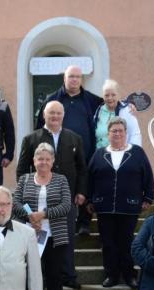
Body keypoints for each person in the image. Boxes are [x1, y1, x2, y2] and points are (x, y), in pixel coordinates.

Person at [17, 100, 87, 290]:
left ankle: (68, 275)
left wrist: (81, 191)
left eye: (58, 113)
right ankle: (41, 278)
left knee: (66, 239)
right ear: (44, 115)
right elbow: (21, 170)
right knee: (37, 243)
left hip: (66, 198)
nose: (55, 116)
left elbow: (82, 168)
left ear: (63, 115)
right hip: (36, 199)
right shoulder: (31, 139)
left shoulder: (75, 138)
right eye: (51, 113)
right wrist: (25, 200)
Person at [87, 117, 154, 289]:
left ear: (125, 133)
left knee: (126, 242)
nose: (117, 134)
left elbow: (148, 175)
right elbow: (89, 178)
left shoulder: (137, 152)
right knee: (108, 243)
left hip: (129, 206)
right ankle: (111, 275)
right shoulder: (99, 153)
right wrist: (89, 199)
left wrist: (148, 197)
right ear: (108, 134)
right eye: (113, 131)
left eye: (120, 131)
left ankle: (129, 275)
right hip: (104, 206)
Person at [34, 65, 102, 236]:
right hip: (56, 156)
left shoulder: (93, 100)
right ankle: (57, 222)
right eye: (71, 76)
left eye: (78, 77)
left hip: (86, 152)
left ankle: (84, 222)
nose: (74, 80)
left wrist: (128, 106)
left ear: (81, 79)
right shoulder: (51, 99)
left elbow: (111, 107)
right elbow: (39, 127)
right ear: (64, 78)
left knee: (84, 186)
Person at [12, 143, 72, 290]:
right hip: (29, 236)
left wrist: (43, 215)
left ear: (52, 161)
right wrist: (30, 216)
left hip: (54, 237)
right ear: (34, 161)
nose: (43, 162)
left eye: (47, 159)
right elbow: (15, 202)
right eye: (40, 159)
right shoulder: (25, 179)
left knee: (54, 278)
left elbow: (66, 205)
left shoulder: (61, 180)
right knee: (31, 277)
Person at [93, 79, 142, 151]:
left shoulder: (127, 110)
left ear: (118, 95)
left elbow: (135, 134)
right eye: (106, 95)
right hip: (100, 153)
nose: (110, 98)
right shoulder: (98, 111)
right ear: (103, 97)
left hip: (121, 153)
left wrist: (134, 152)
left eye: (113, 95)